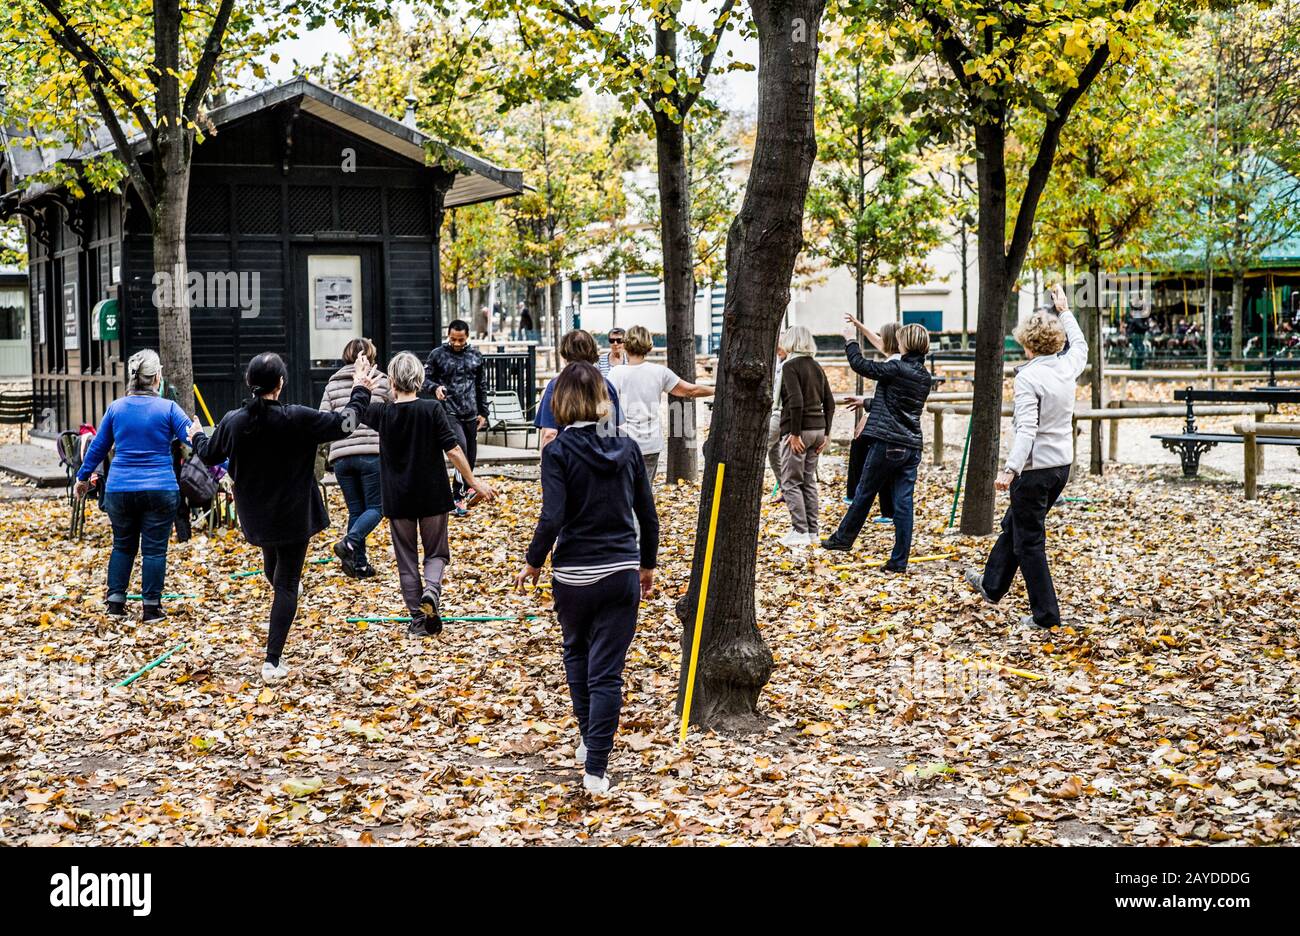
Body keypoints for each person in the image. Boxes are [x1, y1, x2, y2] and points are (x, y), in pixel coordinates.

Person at [514, 363, 658, 795]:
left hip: (573, 572)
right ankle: (596, 767)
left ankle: (586, 738)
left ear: (560, 402)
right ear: (602, 399)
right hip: (619, 569)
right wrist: (647, 564)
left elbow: (552, 515)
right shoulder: (628, 447)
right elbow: (647, 516)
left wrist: (533, 562)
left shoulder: (557, 452)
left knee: (576, 653)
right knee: (608, 672)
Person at [190, 352, 377, 682]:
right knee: (285, 582)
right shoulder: (296, 418)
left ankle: (284, 610)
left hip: (257, 516)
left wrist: (196, 434)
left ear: (250, 384)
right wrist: (360, 386)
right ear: (281, 383)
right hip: (292, 514)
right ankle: (272, 661)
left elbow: (208, 453)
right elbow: (346, 423)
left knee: (275, 571)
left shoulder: (235, 421)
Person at [966, 284, 1086, 630]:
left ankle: (1046, 616)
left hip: (1033, 470)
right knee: (1014, 526)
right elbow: (1081, 345)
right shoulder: (1067, 366)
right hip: (1060, 467)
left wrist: (1010, 469)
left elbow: (1027, 429)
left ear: (1026, 343)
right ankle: (991, 586)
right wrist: (1064, 310)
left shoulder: (1029, 378)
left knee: (1029, 541)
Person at [361, 352, 496, 637]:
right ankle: (431, 592)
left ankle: (418, 621)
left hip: (398, 499)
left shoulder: (382, 413)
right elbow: (454, 449)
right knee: (436, 553)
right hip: (432, 494)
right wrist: (473, 483)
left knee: (406, 559)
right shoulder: (433, 410)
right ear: (420, 379)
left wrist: (360, 384)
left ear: (392, 380)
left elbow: (353, 412)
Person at [74, 349, 191, 622]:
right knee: (154, 549)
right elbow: (191, 436)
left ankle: (115, 604)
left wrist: (83, 478)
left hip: (120, 489)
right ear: (157, 377)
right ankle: (151, 608)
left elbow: (98, 447)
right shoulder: (169, 408)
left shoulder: (116, 409)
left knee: (122, 546)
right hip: (160, 489)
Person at [821, 321, 932, 571]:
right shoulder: (924, 375)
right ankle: (899, 560)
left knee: (864, 492)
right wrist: (867, 402)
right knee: (904, 504)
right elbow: (898, 404)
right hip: (911, 445)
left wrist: (850, 340)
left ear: (907, 343)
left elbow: (860, 365)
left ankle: (843, 539)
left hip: (888, 443)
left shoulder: (897, 367)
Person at [320, 337, 392, 577]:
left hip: (341, 456)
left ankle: (358, 565)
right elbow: (392, 413)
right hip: (371, 453)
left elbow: (323, 418)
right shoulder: (379, 381)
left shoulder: (331, 385)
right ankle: (349, 543)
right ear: (369, 357)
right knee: (377, 507)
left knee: (356, 511)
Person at [606, 324, 714, 480]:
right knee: (645, 492)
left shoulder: (616, 373)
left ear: (626, 345)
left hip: (624, 443)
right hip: (650, 444)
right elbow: (691, 390)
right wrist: (717, 391)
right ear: (649, 346)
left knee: (624, 493)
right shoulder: (659, 372)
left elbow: (605, 403)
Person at [773, 325, 834, 547]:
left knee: (790, 481)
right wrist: (826, 434)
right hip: (818, 430)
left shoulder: (790, 366)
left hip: (799, 430)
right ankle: (812, 531)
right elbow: (830, 402)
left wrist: (795, 434)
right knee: (808, 481)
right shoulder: (816, 367)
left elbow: (796, 402)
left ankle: (799, 530)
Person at [422, 319, 488, 514]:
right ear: (448, 336)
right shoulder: (437, 355)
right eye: (453, 339)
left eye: (460, 340)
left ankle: (465, 491)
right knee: (460, 450)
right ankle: (457, 497)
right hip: (448, 411)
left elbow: (481, 385)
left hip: (471, 412)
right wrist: (435, 388)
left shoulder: (476, 355)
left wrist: (484, 412)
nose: (457, 343)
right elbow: (424, 379)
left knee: (471, 457)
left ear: (467, 337)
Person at [844, 320, 899, 522]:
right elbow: (877, 340)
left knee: (861, 447)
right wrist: (859, 325)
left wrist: (850, 339)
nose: (878, 340)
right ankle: (888, 511)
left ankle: (854, 494)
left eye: (881, 336)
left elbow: (859, 364)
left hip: (885, 424)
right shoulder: (897, 359)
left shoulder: (893, 365)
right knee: (881, 462)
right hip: (887, 422)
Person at [536, 329, 623, 455]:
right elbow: (612, 426)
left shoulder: (556, 385)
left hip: (566, 458)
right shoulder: (604, 385)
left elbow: (549, 433)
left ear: (565, 353)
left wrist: (546, 465)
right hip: (600, 457)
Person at [765, 341, 787, 503]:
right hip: (773, 411)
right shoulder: (777, 361)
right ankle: (786, 490)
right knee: (774, 454)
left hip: (781, 414)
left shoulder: (790, 364)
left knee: (761, 446)